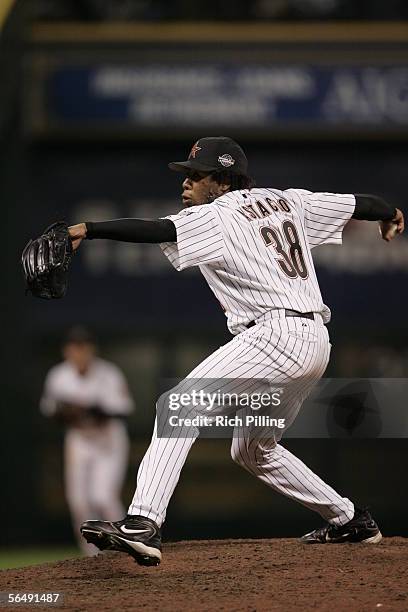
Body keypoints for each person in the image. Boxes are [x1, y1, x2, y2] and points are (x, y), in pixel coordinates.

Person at [67, 136, 404, 566]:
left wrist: (89, 229)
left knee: (178, 406)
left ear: (224, 181)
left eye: (197, 175)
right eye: (186, 174)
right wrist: (389, 213)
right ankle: (349, 518)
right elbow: (360, 203)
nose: (186, 183)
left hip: (274, 335)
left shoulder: (217, 215)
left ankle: (143, 522)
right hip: (314, 341)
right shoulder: (288, 201)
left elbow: (158, 230)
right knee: (252, 449)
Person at [40, 326, 134, 555]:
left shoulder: (108, 373)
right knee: (79, 502)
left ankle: (125, 548)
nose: (79, 352)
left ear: (92, 349)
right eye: (75, 347)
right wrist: (67, 412)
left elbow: (124, 408)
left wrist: (91, 410)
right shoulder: (59, 375)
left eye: (83, 347)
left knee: (103, 497)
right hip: (79, 440)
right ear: (67, 351)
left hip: (108, 440)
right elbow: (49, 410)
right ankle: (91, 557)